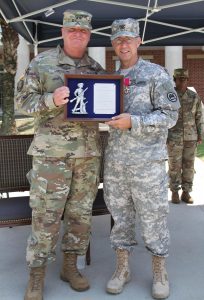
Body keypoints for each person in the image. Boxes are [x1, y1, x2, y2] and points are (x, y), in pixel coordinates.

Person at [15, 10, 104, 300]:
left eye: (84, 30)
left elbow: (105, 105)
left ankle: (70, 267)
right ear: (63, 32)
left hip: (87, 155)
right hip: (52, 155)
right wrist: (50, 99)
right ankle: (36, 275)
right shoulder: (42, 63)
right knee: (46, 215)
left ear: (89, 35)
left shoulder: (96, 69)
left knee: (80, 215)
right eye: (72, 29)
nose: (78, 34)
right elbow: (22, 101)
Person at [103, 18, 180, 299]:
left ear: (138, 42)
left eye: (129, 38)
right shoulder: (107, 78)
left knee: (153, 219)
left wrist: (134, 121)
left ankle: (160, 272)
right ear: (113, 44)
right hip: (116, 164)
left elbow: (170, 115)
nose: (123, 44)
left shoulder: (156, 74)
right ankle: (122, 269)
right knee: (120, 218)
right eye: (118, 39)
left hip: (147, 163)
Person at [167, 68, 203, 204]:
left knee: (189, 166)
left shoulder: (194, 97)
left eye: (184, 79)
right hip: (173, 137)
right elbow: (164, 117)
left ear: (187, 80)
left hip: (191, 137)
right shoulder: (169, 96)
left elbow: (199, 117)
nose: (182, 82)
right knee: (174, 166)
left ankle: (186, 192)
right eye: (179, 79)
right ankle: (175, 192)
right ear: (174, 80)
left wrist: (200, 134)